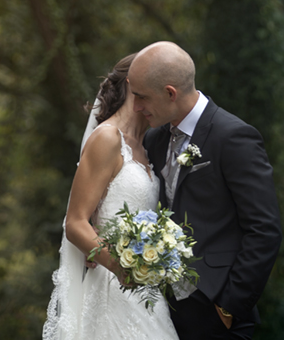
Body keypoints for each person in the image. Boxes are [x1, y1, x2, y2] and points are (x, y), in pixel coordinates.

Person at [127, 42, 281, 340]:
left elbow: (264, 230)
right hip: (163, 311)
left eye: (142, 97)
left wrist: (229, 307)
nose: (136, 108)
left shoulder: (234, 136)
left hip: (216, 310)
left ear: (170, 93)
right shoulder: (155, 139)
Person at [42, 54, 181, 340]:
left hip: (145, 292)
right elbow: (76, 222)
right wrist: (124, 268)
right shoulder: (107, 139)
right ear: (135, 87)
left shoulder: (146, 146)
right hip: (113, 285)